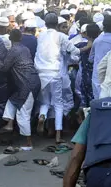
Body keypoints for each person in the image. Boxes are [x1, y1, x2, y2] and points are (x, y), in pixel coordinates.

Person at [0, 28, 41, 150]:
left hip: (26, 83)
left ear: (10, 38)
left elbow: (3, 67)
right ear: (21, 38)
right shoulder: (25, 49)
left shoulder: (13, 50)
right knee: (12, 101)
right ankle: (9, 124)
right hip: (33, 81)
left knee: (23, 113)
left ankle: (28, 143)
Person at [34, 13, 79, 143]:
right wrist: (85, 48)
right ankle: (58, 135)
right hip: (55, 73)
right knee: (59, 104)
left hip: (41, 73)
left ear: (46, 24)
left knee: (45, 102)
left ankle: (42, 116)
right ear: (57, 25)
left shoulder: (40, 36)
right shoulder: (61, 36)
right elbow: (75, 51)